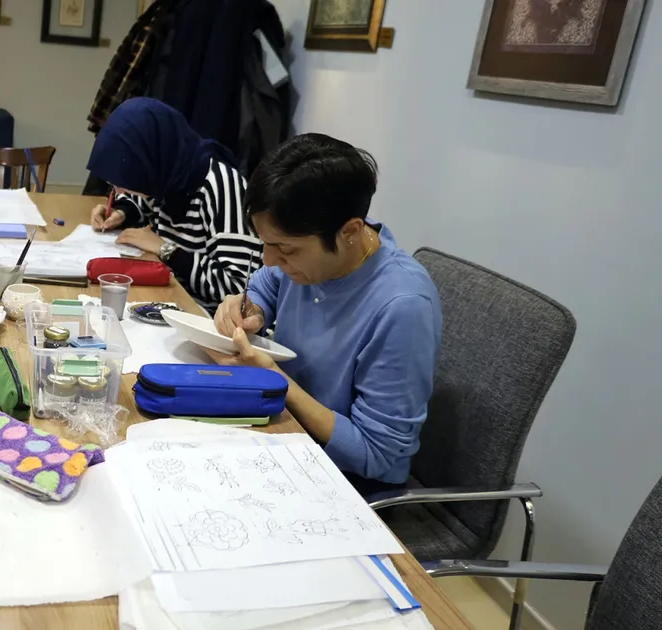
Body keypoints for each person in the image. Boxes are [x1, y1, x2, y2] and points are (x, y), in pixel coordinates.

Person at [211, 134, 442, 491]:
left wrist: (277, 381)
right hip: (284, 434)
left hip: (345, 484)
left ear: (351, 231)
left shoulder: (402, 307)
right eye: (265, 244)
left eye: (285, 249)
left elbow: (377, 453)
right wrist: (251, 308)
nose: (269, 260)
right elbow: (266, 284)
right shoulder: (320, 243)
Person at [87, 97, 260, 310]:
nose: (118, 191)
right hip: (170, 298)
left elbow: (240, 289)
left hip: (206, 315)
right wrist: (122, 212)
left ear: (149, 160)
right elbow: (141, 200)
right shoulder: (166, 171)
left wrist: (167, 250)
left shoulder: (222, 186)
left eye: (124, 181)